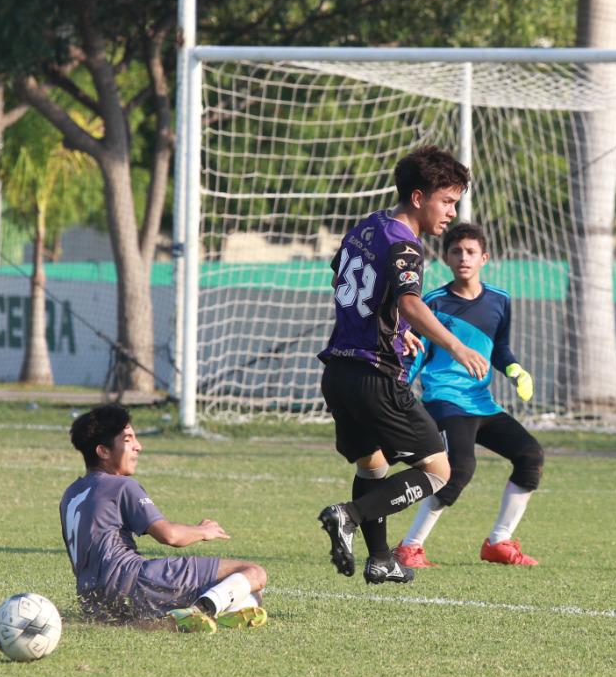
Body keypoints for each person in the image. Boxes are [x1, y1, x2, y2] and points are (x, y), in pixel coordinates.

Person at [314, 146, 489, 585]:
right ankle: (348, 515)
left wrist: (391, 327)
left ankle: (380, 560)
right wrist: (455, 347)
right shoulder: (405, 245)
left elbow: (345, 279)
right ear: (418, 197)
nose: (451, 213)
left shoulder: (366, 227)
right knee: (438, 471)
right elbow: (410, 302)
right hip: (376, 376)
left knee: (372, 465)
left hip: (338, 372)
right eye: (446, 201)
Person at [396, 222, 544, 568]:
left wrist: (515, 370)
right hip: (444, 399)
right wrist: (399, 390)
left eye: (471, 252)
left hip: (482, 402)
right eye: (456, 251)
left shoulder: (500, 300)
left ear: (484, 258)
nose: (464, 257)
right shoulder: (432, 302)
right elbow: (416, 355)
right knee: (459, 468)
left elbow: (500, 348)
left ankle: (499, 542)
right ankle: (409, 547)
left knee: (530, 455)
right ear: (446, 258)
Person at [61, 404, 267, 632]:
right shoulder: (120, 485)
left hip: (94, 602)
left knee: (246, 590)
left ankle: (193, 616)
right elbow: (169, 535)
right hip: (135, 582)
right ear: (104, 451)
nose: (139, 446)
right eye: (128, 439)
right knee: (254, 573)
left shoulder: (70, 495)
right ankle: (199, 611)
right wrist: (202, 531)